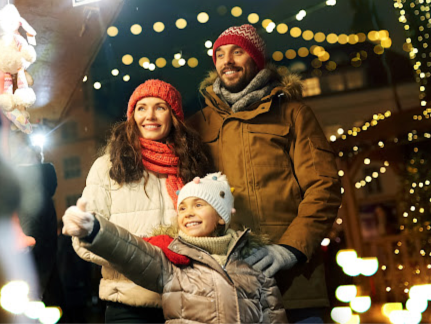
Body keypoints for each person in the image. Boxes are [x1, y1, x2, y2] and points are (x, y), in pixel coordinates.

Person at [187, 24, 342, 323]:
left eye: (237, 52)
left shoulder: (293, 114)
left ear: (256, 59)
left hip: (293, 284)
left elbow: (324, 187)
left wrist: (290, 249)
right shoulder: (197, 125)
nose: (227, 60)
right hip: (227, 286)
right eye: (219, 54)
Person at [63, 173, 288, 324]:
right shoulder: (173, 261)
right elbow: (131, 251)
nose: (188, 213)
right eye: (182, 208)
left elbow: (274, 316)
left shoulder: (252, 263)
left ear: (221, 217)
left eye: (199, 205)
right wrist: (94, 229)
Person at [74, 79, 211, 323]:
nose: (150, 116)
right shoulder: (107, 167)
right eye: (141, 107)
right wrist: (140, 253)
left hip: (187, 301)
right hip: (128, 304)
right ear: (132, 116)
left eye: (160, 107)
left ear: (174, 116)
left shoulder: (192, 166)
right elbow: (83, 239)